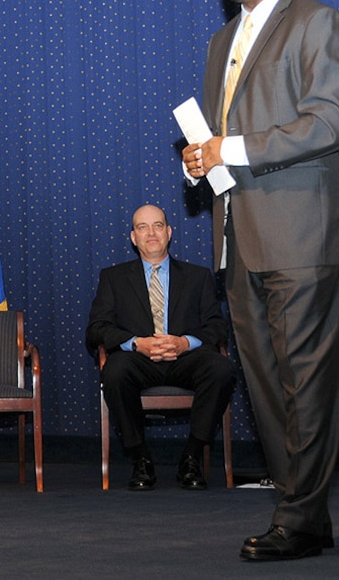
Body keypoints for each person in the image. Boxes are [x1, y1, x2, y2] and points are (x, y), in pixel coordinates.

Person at [182, 0, 339, 561]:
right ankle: (304, 513)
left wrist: (230, 146)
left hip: (304, 236)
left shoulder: (318, 22)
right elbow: (222, 133)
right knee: (266, 386)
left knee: (307, 384)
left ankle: (297, 516)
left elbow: (332, 121)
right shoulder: (220, 42)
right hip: (239, 238)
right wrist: (202, 159)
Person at [86, 204, 234, 492]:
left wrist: (183, 343)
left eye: (157, 226)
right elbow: (96, 330)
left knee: (221, 368)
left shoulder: (198, 276)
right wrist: (137, 344)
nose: (150, 233)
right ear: (133, 237)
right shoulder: (113, 278)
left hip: (186, 360)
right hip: (139, 360)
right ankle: (141, 457)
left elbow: (218, 327)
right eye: (142, 227)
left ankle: (191, 456)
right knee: (114, 371)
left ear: (169, 232)